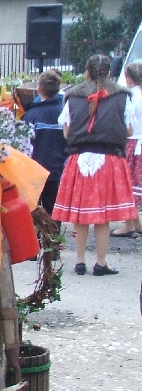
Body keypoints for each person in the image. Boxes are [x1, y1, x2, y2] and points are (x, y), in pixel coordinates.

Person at [53, 54, 136, 276]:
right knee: (103, 216)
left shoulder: (72, 96)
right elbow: (129, 130)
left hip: (79, 159)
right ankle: (100, 262)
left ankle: (80, 261)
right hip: (110, 159)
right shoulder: (122, 96)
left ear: (87, 72)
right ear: (109, 73)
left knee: (80, 215)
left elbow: (67, 132)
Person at [21, 68, 67, 215]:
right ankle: (54, 230)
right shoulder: (64, 112)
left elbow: (23, 143)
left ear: (39, 89)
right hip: (57, 169)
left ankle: (36, 231)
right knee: (54, 209)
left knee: (33, 209)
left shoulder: (31, 114)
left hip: (35, 169)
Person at [112, 62, 142, 236]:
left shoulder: (131, 97)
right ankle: (136, 223)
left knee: (128, 183)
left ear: (129, 78)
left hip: (133, 141)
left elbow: (126, 122)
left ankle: (130, 224)